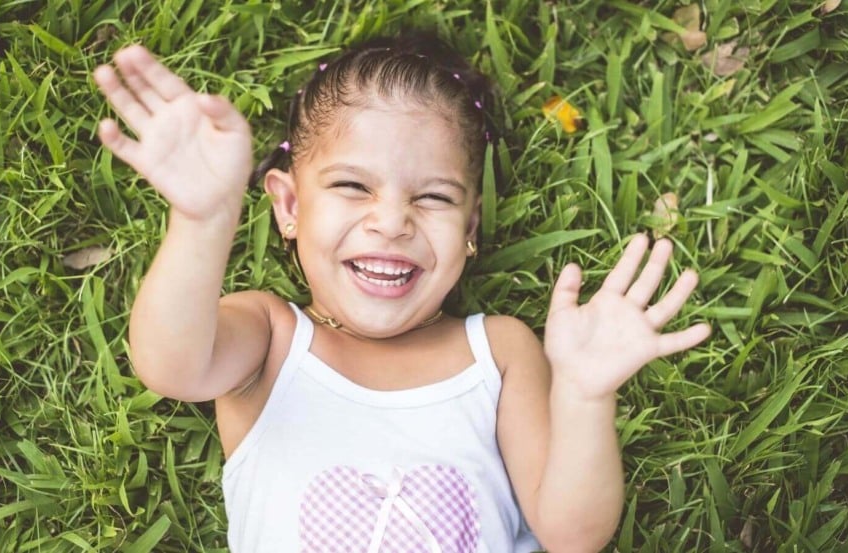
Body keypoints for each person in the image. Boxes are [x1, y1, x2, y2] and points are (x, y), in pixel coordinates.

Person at [93, 32, 711, 553]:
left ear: (468, 231)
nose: (392, 221)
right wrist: (203, 221)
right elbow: (170, 365)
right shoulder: (271, 339)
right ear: (288, 205)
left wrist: (583, 396)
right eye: (354, 187)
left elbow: (573, 534)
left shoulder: (497, 352)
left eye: (434, 196)